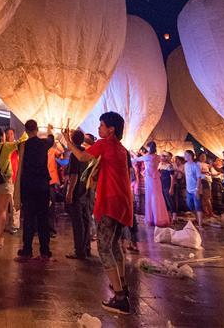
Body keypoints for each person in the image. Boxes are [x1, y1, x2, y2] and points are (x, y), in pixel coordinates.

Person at [64, 112, 134, 315]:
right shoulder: (121, 149)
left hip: (110, 202)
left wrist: (68, 141)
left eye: (101, 125)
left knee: (104, 248)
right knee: (114, 245)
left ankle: (120, 298)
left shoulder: (105, 144)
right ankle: (122, 286)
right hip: (122, 203)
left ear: (111, 130)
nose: (98, 129)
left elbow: (82, 156)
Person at [13, 120, 52, 261]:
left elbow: (21, 166)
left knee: (28, 218)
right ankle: (45, 250)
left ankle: (27, 249)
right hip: (42, 186)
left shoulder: (22, 145)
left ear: (26, 130)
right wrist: (49, 130)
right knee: (43, 219)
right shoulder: (44, 144)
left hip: (28, 186)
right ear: (36, 129)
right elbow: (51, 139)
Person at [65, 129, 92, 259]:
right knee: (85, 221)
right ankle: (86, 248)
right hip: (85, 191)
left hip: (77, 192)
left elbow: (74, 174)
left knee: (78, 223)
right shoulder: (86, 152)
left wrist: (69, 192)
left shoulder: (74, 155)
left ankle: (79, 251)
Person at [0, 127, 16, 249]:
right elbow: (21, 141)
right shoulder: (5, 146)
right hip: (4, 182)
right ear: (1, 136)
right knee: (2, 210)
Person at [134, 142, 170, 227]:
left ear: (149, 148)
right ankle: (158, 218)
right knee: (158, 197)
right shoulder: (157, 157)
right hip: (156, 179)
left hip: (150, 179)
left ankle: (153, 219)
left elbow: (137, 159)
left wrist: (132, 153)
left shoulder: (148, 157)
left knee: (151, 197)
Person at [183, 150, 204, 228]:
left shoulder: (195, 166)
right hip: (189, 189)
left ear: (190, 156)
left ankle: (200, 225)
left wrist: (197, 190)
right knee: (190, 205)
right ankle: (197, 219)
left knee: (198, 206)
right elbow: (187, 177)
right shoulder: (185, 165)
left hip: (196, 189)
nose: (184, 156)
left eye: (186, 154)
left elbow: (199, 178)